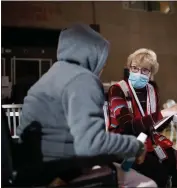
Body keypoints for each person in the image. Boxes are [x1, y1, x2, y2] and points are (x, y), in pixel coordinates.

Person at [17, 25, 157, 187]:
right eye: (103, 59)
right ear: (92, 55)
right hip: (62, 172)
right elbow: (91, 144)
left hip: (39, 172)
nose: (103, 66)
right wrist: (135, 146)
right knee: (148, 183)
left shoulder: (48, 78)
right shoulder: (83, 79)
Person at [108, 48, 177, 187]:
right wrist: (164, 113)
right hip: (125, 144)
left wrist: (172, 114)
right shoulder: (118, 90)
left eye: (145, 70)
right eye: (134, 68)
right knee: (160, 172)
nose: (139, 73)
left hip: (149, 141)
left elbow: (155, 127)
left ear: (151, 73)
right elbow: (128, 126)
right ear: (129, 68)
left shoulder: (152, 90)